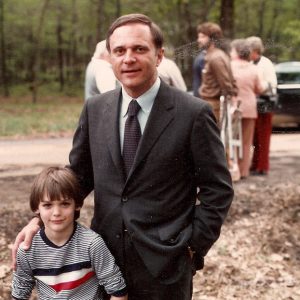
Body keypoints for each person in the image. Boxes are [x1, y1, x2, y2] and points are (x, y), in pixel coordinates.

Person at [13, 14, 234, 300]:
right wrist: (37, 222)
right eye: (119, 51)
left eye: (139, 49)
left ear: (159, 56)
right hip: (102, 262)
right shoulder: (95, 109)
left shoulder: (192, 113)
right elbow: (76, 179)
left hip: (166, 267)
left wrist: (191, 248)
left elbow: (218, 190)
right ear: (110, 58)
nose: (128, 58)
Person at [11, 166, 127, 300]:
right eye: (48, 205)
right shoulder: (27, 249)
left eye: (65, 204)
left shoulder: (92, 244)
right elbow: (19, 293)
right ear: (36, 207)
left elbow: (118, 290)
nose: (56, 213)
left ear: (77, 204)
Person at [230, 39, 267, 179]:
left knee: (232, 139)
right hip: (250, 107)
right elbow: (260, 88)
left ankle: (234, 171)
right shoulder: (253, 68)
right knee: (246, 141)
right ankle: (244, 170)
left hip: (233, 107)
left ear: (237, 52)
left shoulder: (229, 66)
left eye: (232, 50)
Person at [247, 36, 277, 176]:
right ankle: (255, 164)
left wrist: (257, 87)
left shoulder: (266, 63)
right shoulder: (249, 63)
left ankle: (262, 166)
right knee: (254, 137)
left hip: (264, 103)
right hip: (252, 102)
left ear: (255, 50)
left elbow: (272, 83)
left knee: (263, 136)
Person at [197, 22, 237, 123]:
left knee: (211, 138)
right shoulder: (214, 55)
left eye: (202, 37)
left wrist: (230, 101)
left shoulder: (216, 58)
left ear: (212, 38)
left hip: (213, 106)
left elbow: (226, 84)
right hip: (210, 105)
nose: (199, 40)